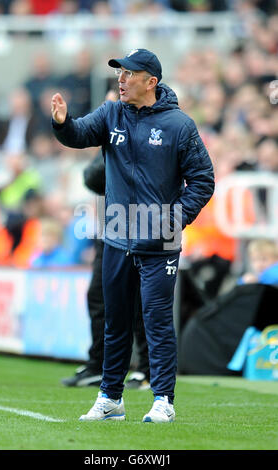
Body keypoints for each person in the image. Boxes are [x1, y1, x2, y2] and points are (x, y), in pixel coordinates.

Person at [51, 49, 214, 423]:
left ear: (150, 82)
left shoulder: (180, 125)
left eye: (128, 73)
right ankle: (110, 398)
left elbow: (203, 181)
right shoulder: (110, 114)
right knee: (116, 321)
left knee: (156, 321)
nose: (121, 80)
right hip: (116, 236)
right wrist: (63, 123)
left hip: (160, 242)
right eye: (119, 73)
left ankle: (163, 401)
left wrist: (175, 219)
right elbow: (78, 134)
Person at [61, 148, 150, 389]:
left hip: (146, 226)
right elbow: (92, 178)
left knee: (144, 302)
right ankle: (98, 365)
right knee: (99, 297)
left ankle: (148, 371)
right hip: (109, 227)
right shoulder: (113, 134)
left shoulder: (159, 131)